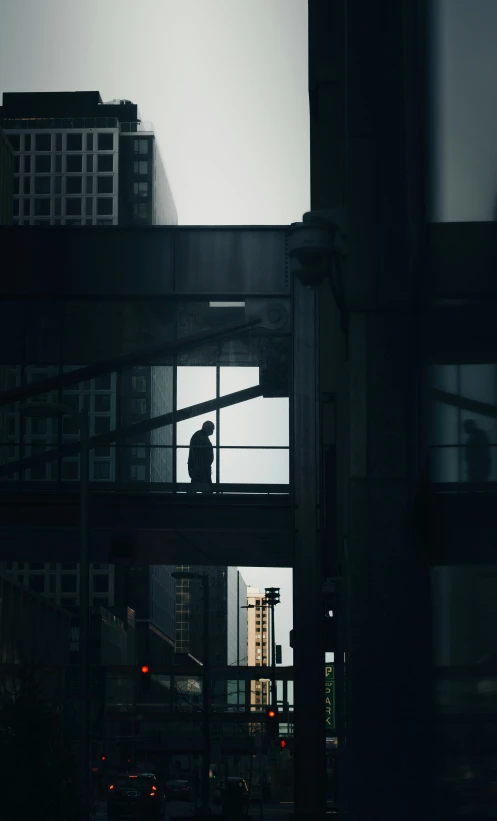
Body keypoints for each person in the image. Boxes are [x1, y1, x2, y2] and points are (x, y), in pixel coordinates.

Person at [188, 421, 215, 488]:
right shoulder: (201, 436)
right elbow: (198, 454)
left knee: (195, 486)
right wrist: (200, 467)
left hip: (199, 468)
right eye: (211, 429)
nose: (212, 431)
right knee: (206, 489)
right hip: (201, 469)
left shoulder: (199, 435)